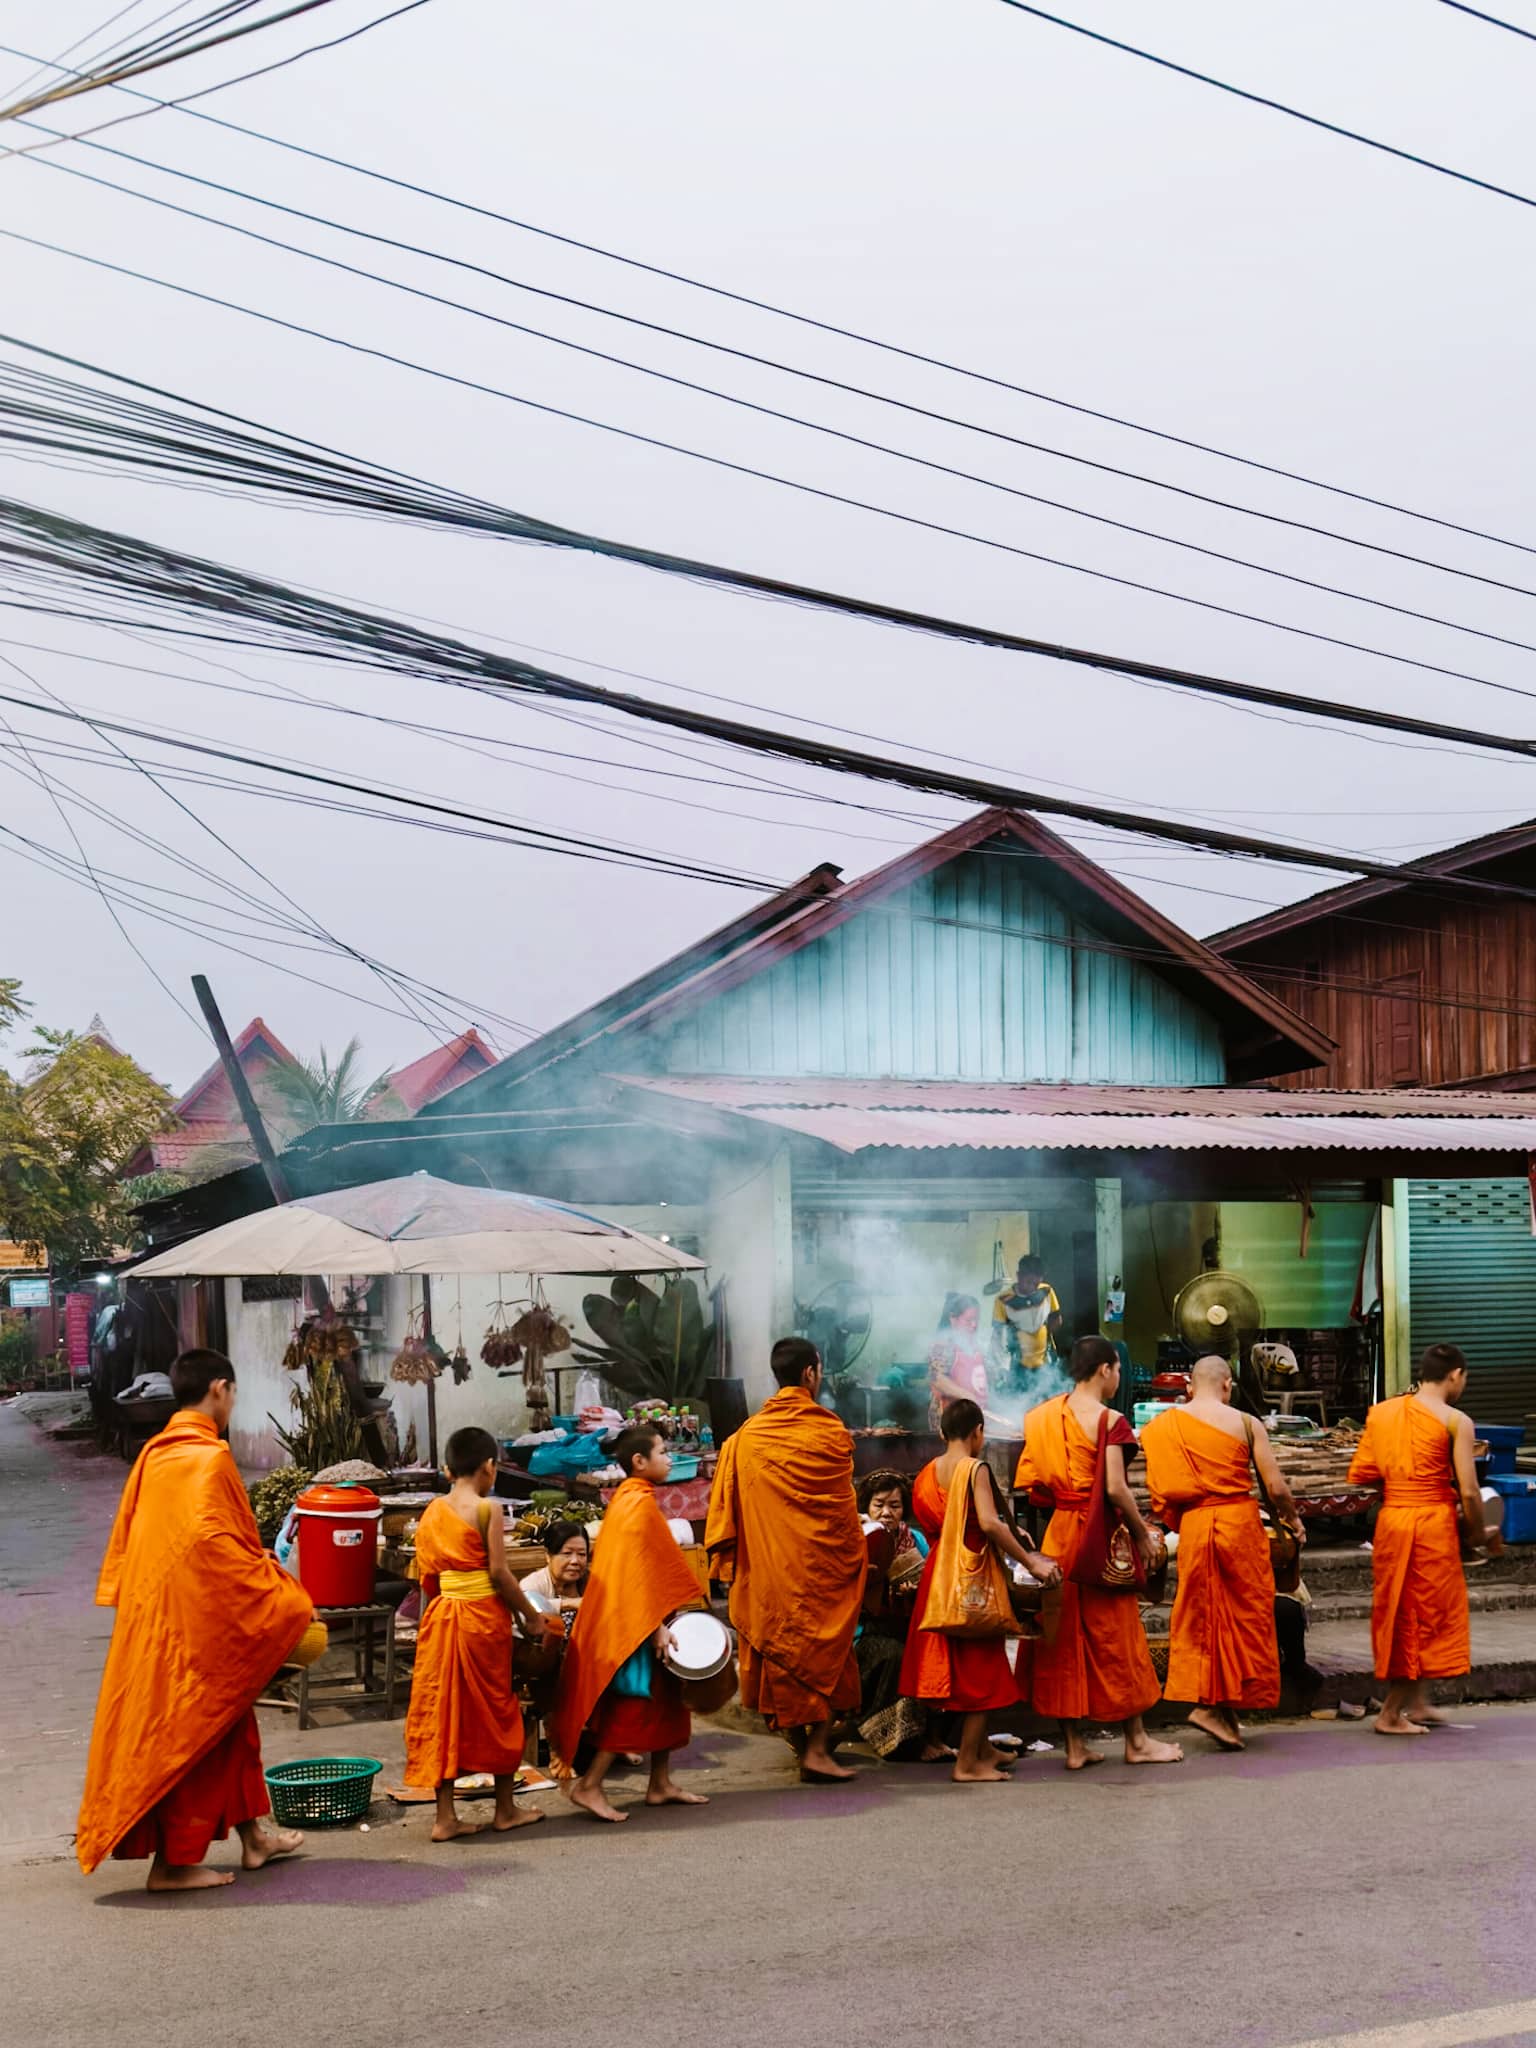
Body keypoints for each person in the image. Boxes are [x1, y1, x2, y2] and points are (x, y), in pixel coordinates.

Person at [76, 1348, 315, 1891]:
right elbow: (221, 1548)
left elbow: (137, 1542)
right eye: (232, 1394)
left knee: (232, 1728)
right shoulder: (210, 1459)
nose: (232, 1403)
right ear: (219, 1390)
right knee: (192, 1733)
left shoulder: (155, 1456)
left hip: (157, 1616)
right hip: (193, 1623)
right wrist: (283, 1594)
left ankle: (254, 1840)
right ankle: (172, 1866)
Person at [1015, 1335, 1183, 1770]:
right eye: (1118, 1370)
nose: (1118, 1378)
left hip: (1060, 1539)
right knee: (1118, 1637)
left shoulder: (1044, 1417)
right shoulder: (1111, 1420)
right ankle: (1137, 1740)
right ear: (1106, 1369)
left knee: (1061, 1637)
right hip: (1099, 1540)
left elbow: (1035, 1488)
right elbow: (1113, 1487)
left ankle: (1073, 1747)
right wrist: (1143, 1534)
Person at [705, 1337, 867, 1782]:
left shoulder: (746, 1438)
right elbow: (840, 1512)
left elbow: (729, 1513)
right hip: (817, 1572)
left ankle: (805, 1747)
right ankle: (815, 1750)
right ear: (811, 1374)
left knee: (782, 1651)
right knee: (823, 1652)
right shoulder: (830, 1432)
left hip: (772, 1572)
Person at [900, 1399, 1063, 1783]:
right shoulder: (973, 1469)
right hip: (970, 1580)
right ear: (978, 1432)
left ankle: (983, 1749)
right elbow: (989, 1524)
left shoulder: (926, 1473)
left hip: (939, 1578)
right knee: (982, 1670)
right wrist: (1031, 1560)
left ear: (942, 1433)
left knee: (959, 1666)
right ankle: (968, 1763)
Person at [1141, 1355, 1299, 1752]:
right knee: (1246, 1616)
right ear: (1228, 1384)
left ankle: (1218, 1710)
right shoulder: (1246, 1423)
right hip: (1238, 1527)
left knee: (1202, 1617)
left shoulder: (1163, 1426)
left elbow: (1160, 1489)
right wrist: (1293, 1520)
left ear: (1189, 1388)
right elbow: (1276, 1488)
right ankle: (1213, 1709)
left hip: (1196, 1527)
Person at [553, 1424, 710, 1822]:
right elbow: (635, 1574)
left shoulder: (630, 1499)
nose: (670, 1458)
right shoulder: (636, 1504)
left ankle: (660, 1783)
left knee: (667, 1701)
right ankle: (590, 1785)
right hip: (638, 1622)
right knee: (633, 1705)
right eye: (662, 1452)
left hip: (645, 1615)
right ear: (639, 1462)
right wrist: (655, 1624)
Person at [404, 1425, 550, 1842]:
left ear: (449, 1468)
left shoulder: (432, 1511)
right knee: (499, 1706)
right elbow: (500, 1574)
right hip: (481, 1620)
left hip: (443, 1616)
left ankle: (444, 1817)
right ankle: (505, 1809)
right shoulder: (487, 1510)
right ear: (489, 1466)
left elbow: (427, 1578)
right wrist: (530, 1616)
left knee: (444, 1711)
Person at [1347, 1342, 1495, 1737]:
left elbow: (1363, 1472)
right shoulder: (1455, 1421)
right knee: (1424, 1616)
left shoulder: (1383, 1413)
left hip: (1393, 1521)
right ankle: (1391, 1713)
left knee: (1401, 1609)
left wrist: (1401, 1481)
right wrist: (1478, 1534)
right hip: (1430, 1524)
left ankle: (1417, 1701)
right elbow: (1467, 1491)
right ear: (1455, 1376)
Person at [851, 1469, 945, 1760]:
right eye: (879, 1504)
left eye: (895, 1505)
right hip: (866, 1631)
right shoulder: (857, 1540)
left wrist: (914, 1591)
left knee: (936, 1651)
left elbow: (933, 1580)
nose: (886, 1513)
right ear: (866, 1506)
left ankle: (934, 1737)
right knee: (896, 1657)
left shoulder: (914, 1539)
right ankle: (899, 1742)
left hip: (909, 1623)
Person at [990, 1255, 1062, 1384]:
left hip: (1046, 1363)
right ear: (1018, 1276)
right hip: (1018, 1365)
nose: (1032, 1288)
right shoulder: (1003, 1299)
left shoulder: (1046, 1291)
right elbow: (997, 1334)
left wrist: (1044, 1335)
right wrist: (999, 1364)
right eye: (1028, 1282)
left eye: (1036, 1283)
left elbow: (1056, 1318)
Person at [927, 1293, 991, 1430]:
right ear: (953, 1320)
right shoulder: (943, 1346)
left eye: (977, 1320)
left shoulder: (976, 1345)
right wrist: (969, 1397)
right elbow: (937, 1379)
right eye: (969, 1320)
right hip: (950, 1422)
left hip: (972, 1419)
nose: (974, 1325)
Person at [520, 1520, 592, 1612]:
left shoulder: (591, 1582)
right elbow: (525, 1608)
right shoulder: (532, 1585)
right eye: (567, 1553)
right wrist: (568, 1603)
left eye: (581, 1554)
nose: (575, 1561)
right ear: (548, 1556)